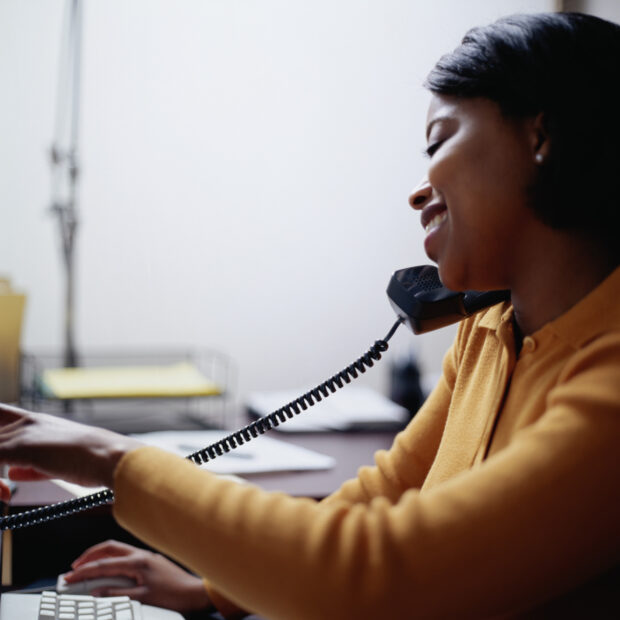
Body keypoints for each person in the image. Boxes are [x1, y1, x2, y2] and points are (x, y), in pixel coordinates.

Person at [2, 11, 620, 619]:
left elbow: (373, 576)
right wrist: (215, 590)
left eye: (439, 140)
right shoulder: (487, 332)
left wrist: (109, 458)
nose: (416, 189)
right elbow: (379, 499)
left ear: (540, 137)